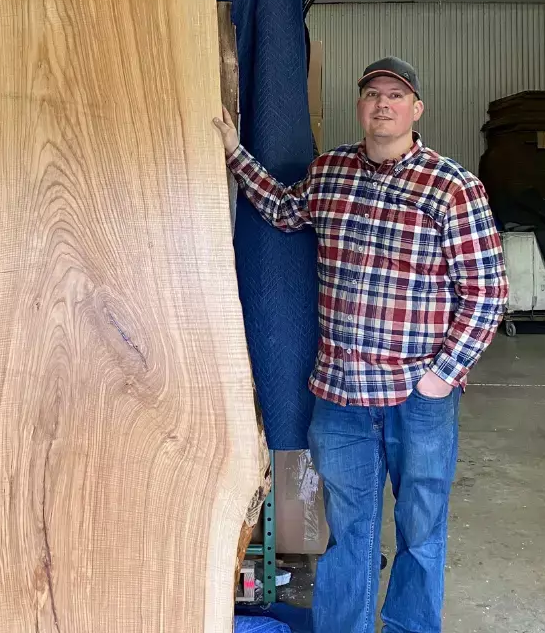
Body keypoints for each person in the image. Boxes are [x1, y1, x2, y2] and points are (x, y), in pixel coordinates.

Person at [213, 56, 508, 633]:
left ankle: (409, 626)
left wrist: (441, 375)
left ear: (416, 109)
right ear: (361, 106)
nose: (382, 104)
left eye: (395, 96)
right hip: (341, 396)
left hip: (417, 397)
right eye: (372, 94)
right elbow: (281, 207)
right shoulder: (330, 174)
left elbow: (487, 292)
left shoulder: (452, 187)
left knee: (422, 529)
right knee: (347, 534)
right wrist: (232, 151)